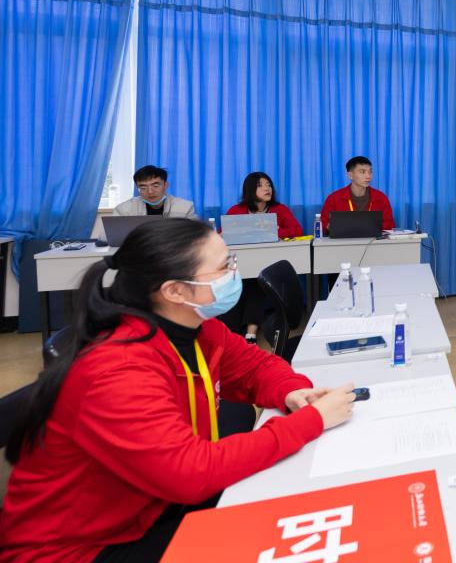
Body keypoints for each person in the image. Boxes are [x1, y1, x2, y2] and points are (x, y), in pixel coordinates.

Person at [0, 219, 356, 562]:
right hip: (82, 547)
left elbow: (256, 366)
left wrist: (293, 392)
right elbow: (191, 473)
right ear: (175, 291)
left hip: (152, 505)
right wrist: (309, 421)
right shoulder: (117, 370)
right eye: (224, 267)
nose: (234, 273)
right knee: (269, 536)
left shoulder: (196, 327)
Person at [224, 172, 304, 343]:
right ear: (250, 189)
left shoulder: (279, 209)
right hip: (242, 262)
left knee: (257, 280)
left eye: (268, 184)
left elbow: (297, 230)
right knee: (236, 282)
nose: (267, 188)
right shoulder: (236, 210)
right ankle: (232, 334)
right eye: (261, 185)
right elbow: (223, 235)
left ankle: (250, 333)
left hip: (269, 262)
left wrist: (276, 231)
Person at [93, 165, 196, 238]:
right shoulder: (124, 209)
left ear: (165, 185)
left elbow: (197, 234)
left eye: (156, 185)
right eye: (143, 187)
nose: (150, 191)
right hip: (138, 253)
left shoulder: (185, 207)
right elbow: (104, 237)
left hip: (173, 254)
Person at [320, 156, 395, 233]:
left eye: (370, 171)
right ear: (350, 175)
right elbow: (323, 223)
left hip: (372, 239)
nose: (368, 176)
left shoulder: (380, 197)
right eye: (362, 172)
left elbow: (390, 224)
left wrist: (369, 227)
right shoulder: (334, 198)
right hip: (344, 239)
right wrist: (328, 226)